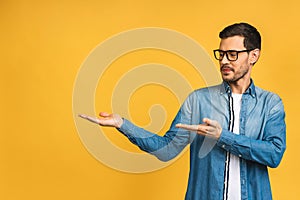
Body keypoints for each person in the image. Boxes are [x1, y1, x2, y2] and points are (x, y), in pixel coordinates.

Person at [79, 22, 286, 200]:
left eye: (232, 55)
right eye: (221, 54)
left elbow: (274, 155)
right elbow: (166, 150)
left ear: (253, 56)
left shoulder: (270, 103)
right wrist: (122, 124)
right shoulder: (199, 100)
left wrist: (222, 136)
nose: (223, 61)